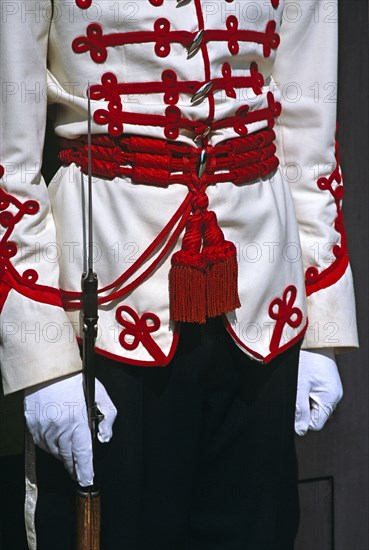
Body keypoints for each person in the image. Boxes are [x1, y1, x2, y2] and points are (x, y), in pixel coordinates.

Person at [0, 1, 358, 549]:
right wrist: (41, 359)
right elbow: (9, 159)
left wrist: (324, 313)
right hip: (105, 292)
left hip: (265, 292)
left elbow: (309, 131)